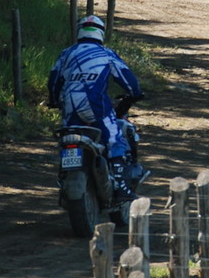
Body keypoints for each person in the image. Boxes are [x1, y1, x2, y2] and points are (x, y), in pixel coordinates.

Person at [48, 15, 144, 195]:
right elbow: (128, 80)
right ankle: (121, 188)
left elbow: (53, 81)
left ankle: (64, 174)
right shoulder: (106, 54)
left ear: (79, 32)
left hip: (69, 107)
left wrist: (54, 100)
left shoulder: (66, 53)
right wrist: (135, 93)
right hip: (96, 107)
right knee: (115, 139)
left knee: (69, 138)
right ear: (101, 33)